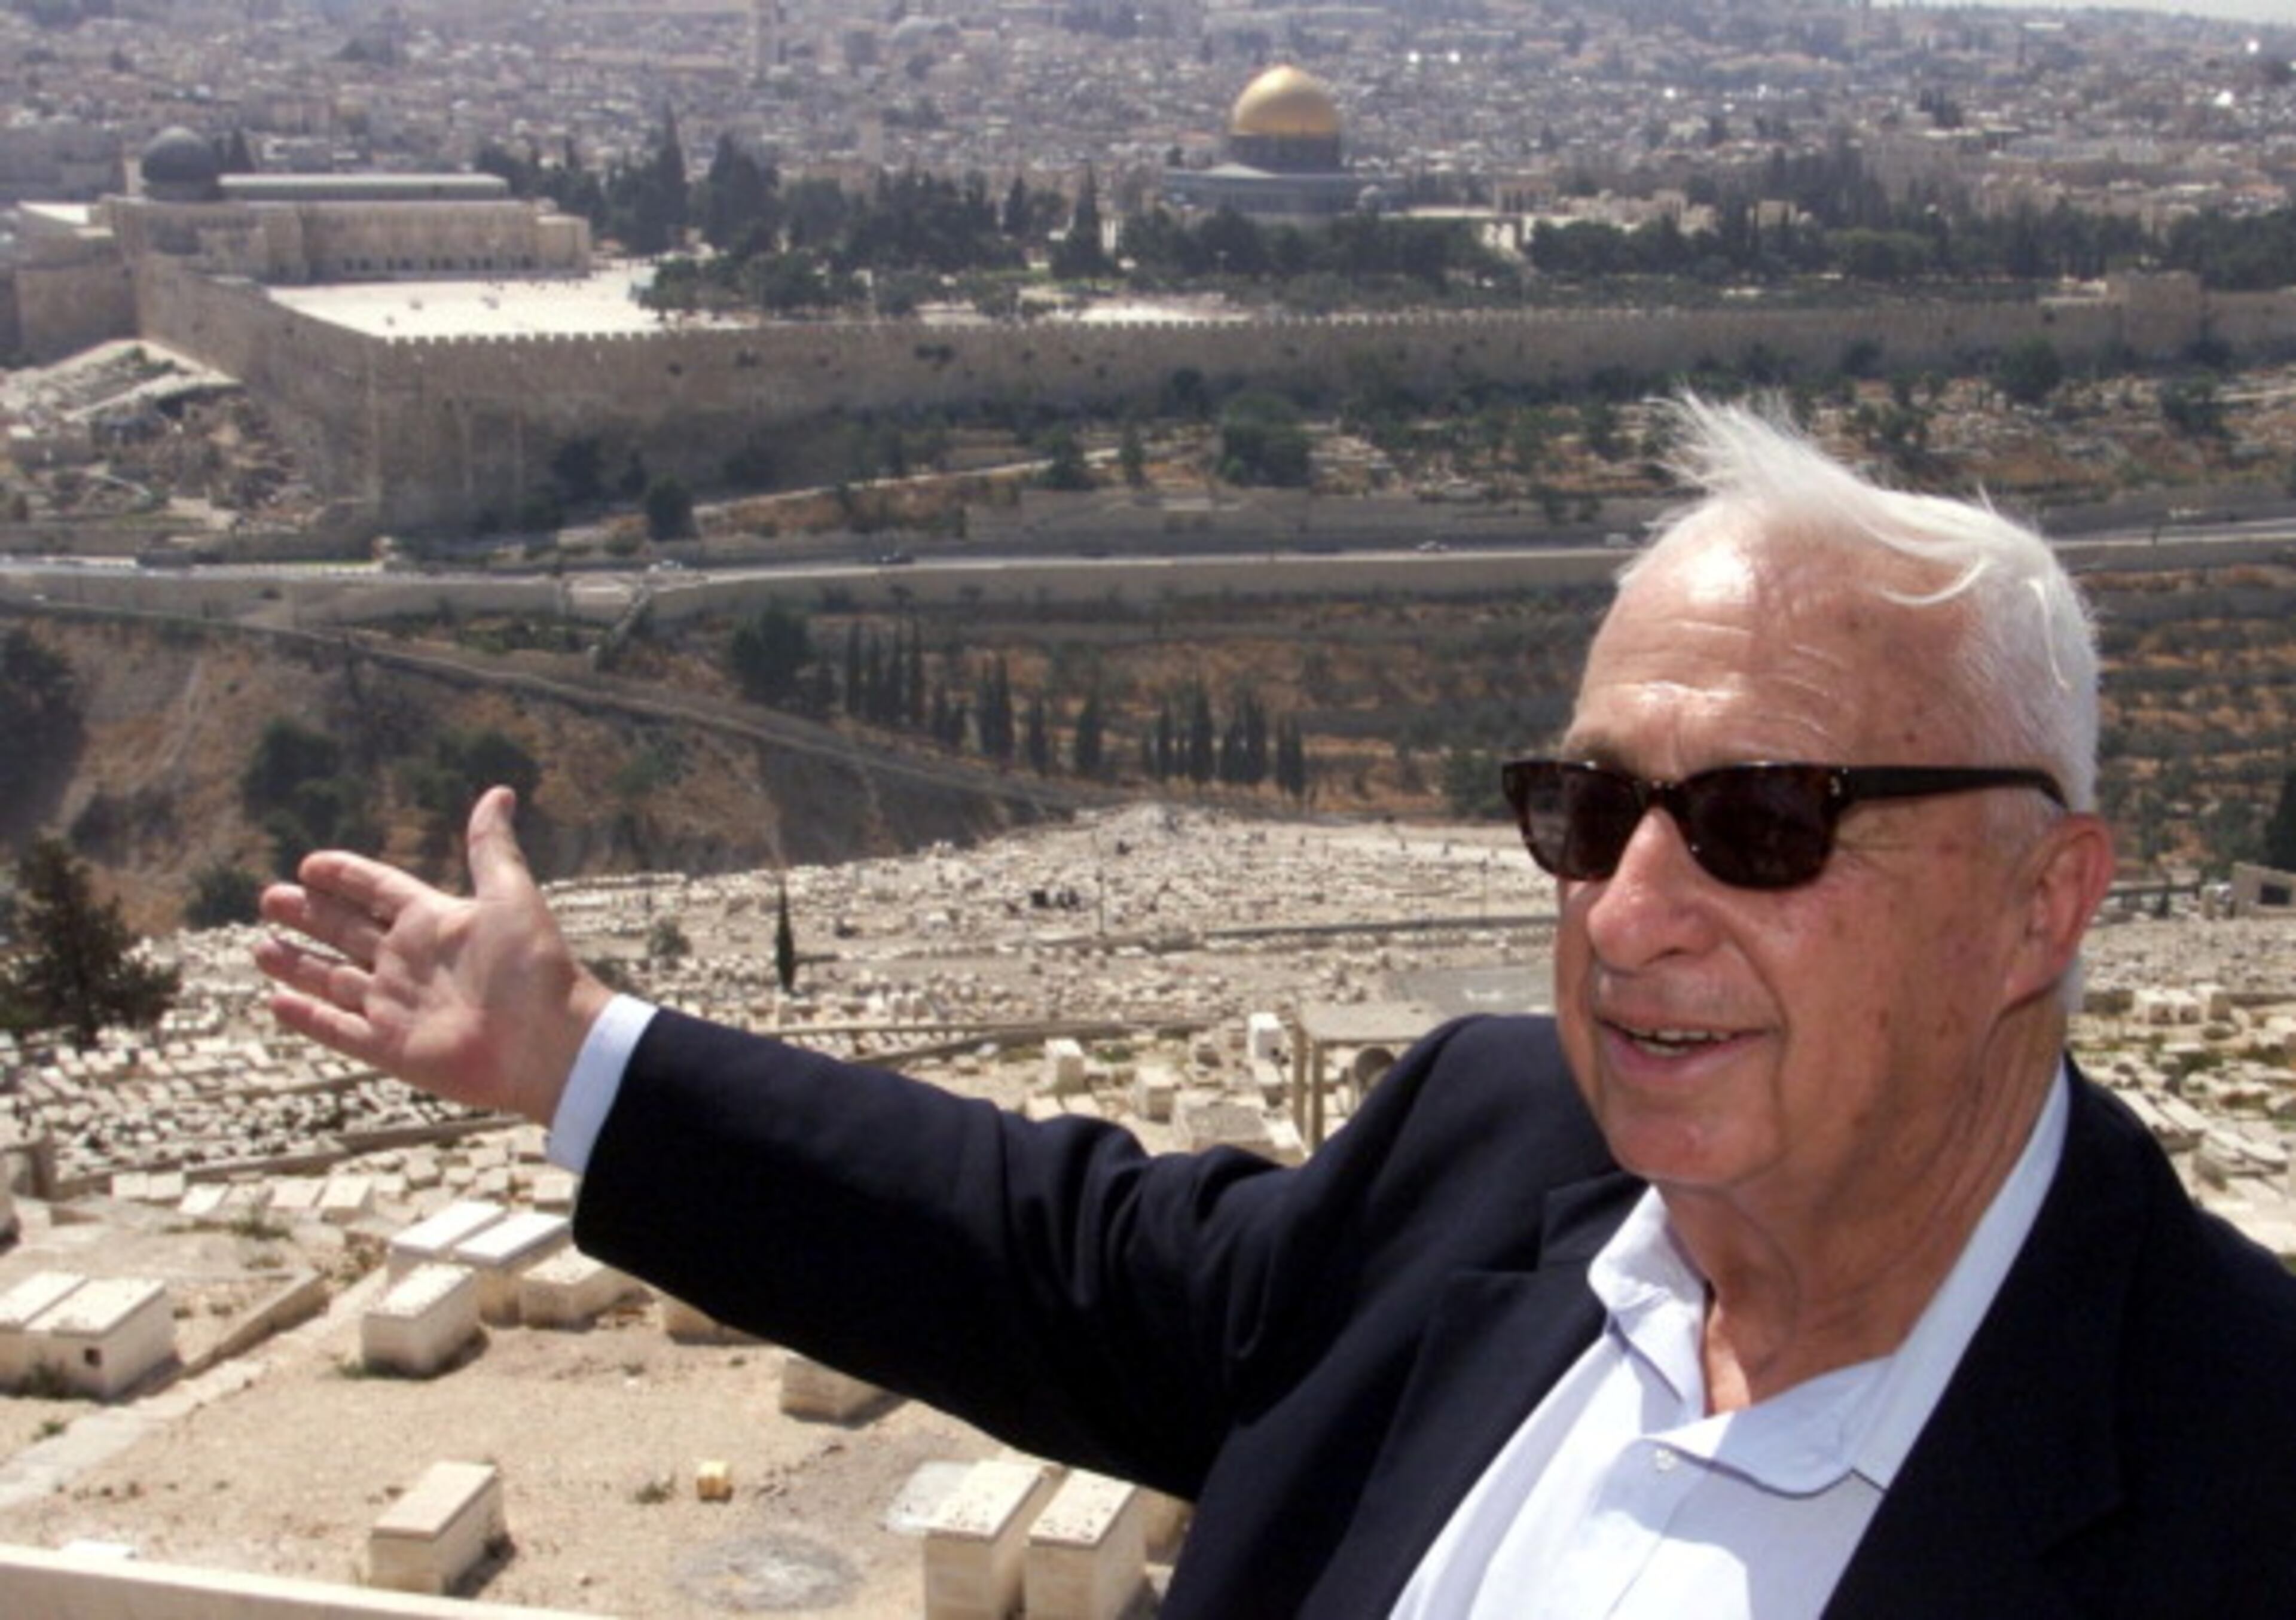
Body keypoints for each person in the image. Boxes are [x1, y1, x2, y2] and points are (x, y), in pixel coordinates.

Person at [255, 399, 2296, 1618]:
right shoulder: (1499, 1155)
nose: (1629, 911)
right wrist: (572, 1053)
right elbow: (1051, 1259)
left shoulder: (2238, 1470)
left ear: (2044, 904)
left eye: (1762, 824)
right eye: (1586, 810)